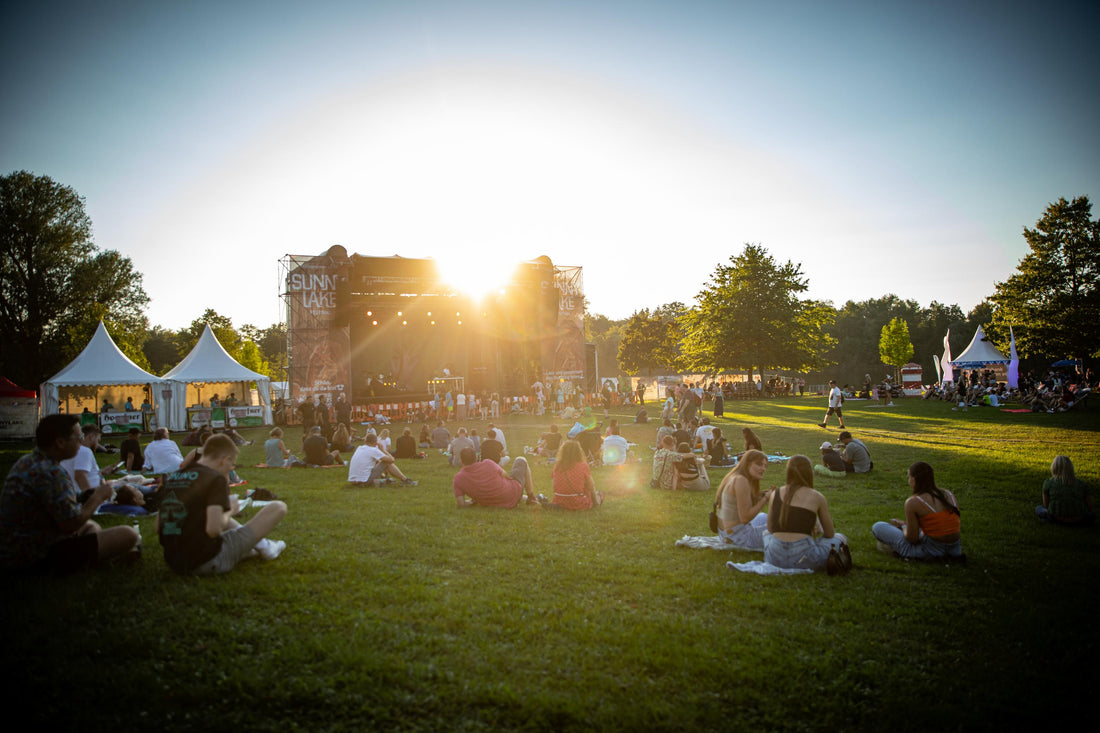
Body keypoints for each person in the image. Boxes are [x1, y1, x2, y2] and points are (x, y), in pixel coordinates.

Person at [0, 414, 139, 573]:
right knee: (129, 535)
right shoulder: (50, 472)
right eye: (78, 436)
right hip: (35, 554)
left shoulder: (30, 461)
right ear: (60, 442)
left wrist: (84, 496)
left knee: (90, 526)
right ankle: (98, 560)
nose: (80, 441)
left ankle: (99, 558)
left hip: (20, 542)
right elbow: (70, 524)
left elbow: (58, 505)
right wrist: (98, 497)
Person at [157, 434, 287, 574]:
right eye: (231, 467)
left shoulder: (175, 477)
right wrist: (230, 510)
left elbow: (158, 527)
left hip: (174, 561)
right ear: (225, 460)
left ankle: (262, 545)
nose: (229, 472)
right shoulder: (215, 478)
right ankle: (267, 547)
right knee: (278, 507)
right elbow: (214, 530)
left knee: (219, 519)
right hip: (207, 560)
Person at [764, 455, 847, 570]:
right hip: (804, 559)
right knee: (840, 537)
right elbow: (829, 534)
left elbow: (770, 529)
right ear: (809, 473)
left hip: (774, 558)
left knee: (766, 534)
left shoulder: (775, 494)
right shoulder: (817, 497)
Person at [872, 461, 963, 560]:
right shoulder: (948, 495)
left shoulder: (914, 502)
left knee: (878, 527)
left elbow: (912, 539)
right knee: (915, 529)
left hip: (929, 551)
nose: (908, 481)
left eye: (908, 477)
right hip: (955, 549)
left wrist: (903, 526)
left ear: (914, 480)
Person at [713, 449, 770, 549]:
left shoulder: (733, 476)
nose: (763, 468)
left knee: (764, 517)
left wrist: (760, 495)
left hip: (726, 534)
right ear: (747, 463)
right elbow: (745, 518)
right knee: (783, 527)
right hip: (739, 537)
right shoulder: (741, 480)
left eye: (765, 466)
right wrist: (765, 498)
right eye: (759, 464)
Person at [453, 448, 537, 508]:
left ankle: (529, 499)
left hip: (492, 503)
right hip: (512, 492)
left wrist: (471, 501)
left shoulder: (458, 478)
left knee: (505, 492)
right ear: (476, 457)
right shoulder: (488, 463)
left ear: (461, 460)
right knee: (521, 459)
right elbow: (505, 475)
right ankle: (531, 496)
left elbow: (461, 504)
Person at [1036, 455, 1094, 525]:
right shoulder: (1082, 484)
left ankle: (1049, 520)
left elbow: (1046, 505)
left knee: (1039, 508)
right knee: (1092, 514)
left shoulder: (1048, 483)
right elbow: (1090, 506)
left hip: (1056, 517)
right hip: (1079, 519)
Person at [60, 424, 118, 494]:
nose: (97, 444)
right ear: (91, 436)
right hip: (93, 497)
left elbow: (80, 471)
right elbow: (79, 475)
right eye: (97, 440)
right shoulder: (84, 451)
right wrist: (91, 498)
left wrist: (102, 472)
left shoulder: (77, 450)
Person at [548, 439, 602, 510]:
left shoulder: (557, 466)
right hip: (577, 503)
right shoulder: (583, 465)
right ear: (579, 451)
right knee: (600, 494)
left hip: (558, 502)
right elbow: (591, 486)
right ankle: (597, 499)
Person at [348, 433, 416, 486]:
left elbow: (376, 464)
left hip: (353, 481)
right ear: (375, 443)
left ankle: (386, 478)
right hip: (364, 481)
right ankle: (404, 479)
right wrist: (382, 449)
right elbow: (391, 460)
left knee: (379, 461)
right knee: (387, 462)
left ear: (365, 441)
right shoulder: (373, 450)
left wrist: (383, 476)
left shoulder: (360, 448)